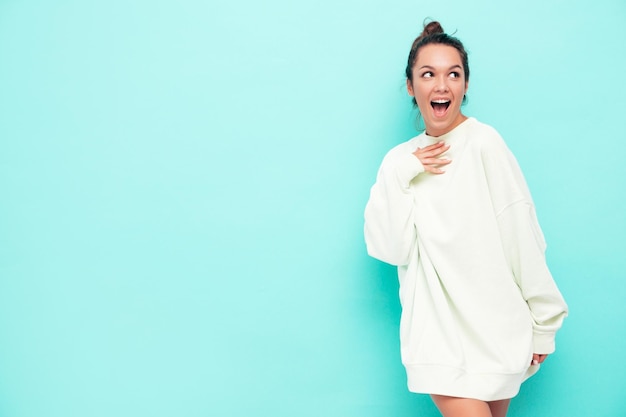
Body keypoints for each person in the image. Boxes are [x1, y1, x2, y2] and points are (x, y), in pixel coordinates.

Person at [363, 21, 568, 417]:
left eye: (453, 74)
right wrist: (400, 173)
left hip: (495, 331)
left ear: (465, 85)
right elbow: (390, 249)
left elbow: (520, 231)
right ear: (411, 87)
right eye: (428, 74)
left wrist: (544, 320)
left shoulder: (483, 143)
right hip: (438, 338)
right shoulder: (398, 162)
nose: (441, 85)